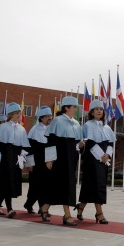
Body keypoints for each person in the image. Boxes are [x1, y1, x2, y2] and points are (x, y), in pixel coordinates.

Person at [43, 96, 84, 225]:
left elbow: (76, 145)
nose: (76, 109)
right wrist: (49, 159)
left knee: (61, 186)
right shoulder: (57, 121)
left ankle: (44, 208)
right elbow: (51, 142)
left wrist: (80, 146)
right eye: (74, 107)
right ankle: (67, 215)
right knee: (62, 185)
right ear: (66, 108)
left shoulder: (77, 123)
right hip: (59, 159)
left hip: (71, 160)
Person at [75, 99, 115, 224]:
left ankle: (80, 207)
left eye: (101, 109)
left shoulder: (107, 127)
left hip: (103, 161)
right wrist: (101, 156)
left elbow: (110, 143)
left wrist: (107, 155)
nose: (99, 111)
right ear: (91, 112)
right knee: (95, 185)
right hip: (92, 160)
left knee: (93, 186)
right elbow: (90, 143)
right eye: (96, 109)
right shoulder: (88, 125)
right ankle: (99, 213)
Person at [0, 103, 30, 218]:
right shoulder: (3, 127)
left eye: (20, 113)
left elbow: (26, 146)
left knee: (9, 183)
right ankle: (10, 209)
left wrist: (22, 156)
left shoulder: (22, 129)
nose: (19, 115)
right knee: (6, 183)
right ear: (11, 114)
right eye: (17, 113)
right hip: (5, 159)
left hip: (16, 159)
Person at [25, 106, 52, 215]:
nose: (49, 118)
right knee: (35, 186)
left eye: (50, 116)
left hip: (48, 162)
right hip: (36, 163)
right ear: (41, 118)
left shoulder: (52, 129)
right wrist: (29, 164)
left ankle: (43, 208)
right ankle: (29, 204)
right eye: (46, 116)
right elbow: (29, 149)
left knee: (46, 186)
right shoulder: (34, 130)